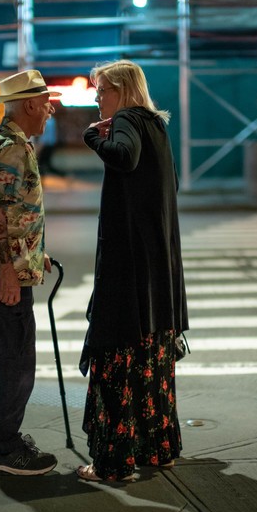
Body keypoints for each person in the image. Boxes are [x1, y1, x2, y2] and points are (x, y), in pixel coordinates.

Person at [77, 59, 188, 482]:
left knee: (117, 364)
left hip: (128, 275)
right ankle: (158, 450)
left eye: (102, 90)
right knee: (151, 364)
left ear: (122, 90)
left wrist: (91, 137)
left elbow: (123, 157)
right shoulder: (156, 125)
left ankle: (114, 462)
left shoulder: (125, 120)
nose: (97, 98)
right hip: (157, 275)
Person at [0, 69, 61, 476]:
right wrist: (9, 269)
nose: (50, 110)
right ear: (31, 104)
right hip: (1, 275)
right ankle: (7, 449)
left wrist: (35, 254)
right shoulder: (13, 148)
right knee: (13, 364)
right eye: (46, 103)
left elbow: (7, 209)